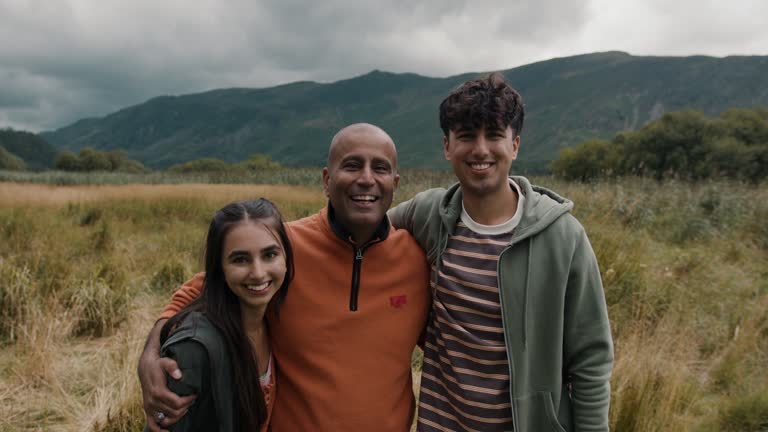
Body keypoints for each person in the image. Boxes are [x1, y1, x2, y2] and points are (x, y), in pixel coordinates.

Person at [138, 123, 431, 432]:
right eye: (352, 165)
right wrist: (150, 355)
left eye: (380, 168)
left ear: (395, 183)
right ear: (327, 180)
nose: (367, 179)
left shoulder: (416, 260)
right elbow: (198, 291)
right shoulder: (278, 250)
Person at [388, 73, 614, 431]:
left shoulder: (562, 237)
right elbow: (359, 234)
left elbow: (591, 360)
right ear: (447, 146)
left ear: (515, 145)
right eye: (466, 136)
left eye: (494, 135)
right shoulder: (429, 214)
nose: (480, 149)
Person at [144, 198, 294, 432]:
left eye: (270, 255)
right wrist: (150, 351)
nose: (258, 272)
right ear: (219, 268)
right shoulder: (195, 349)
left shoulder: (271, 319)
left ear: (287, 257)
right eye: (240, 260)